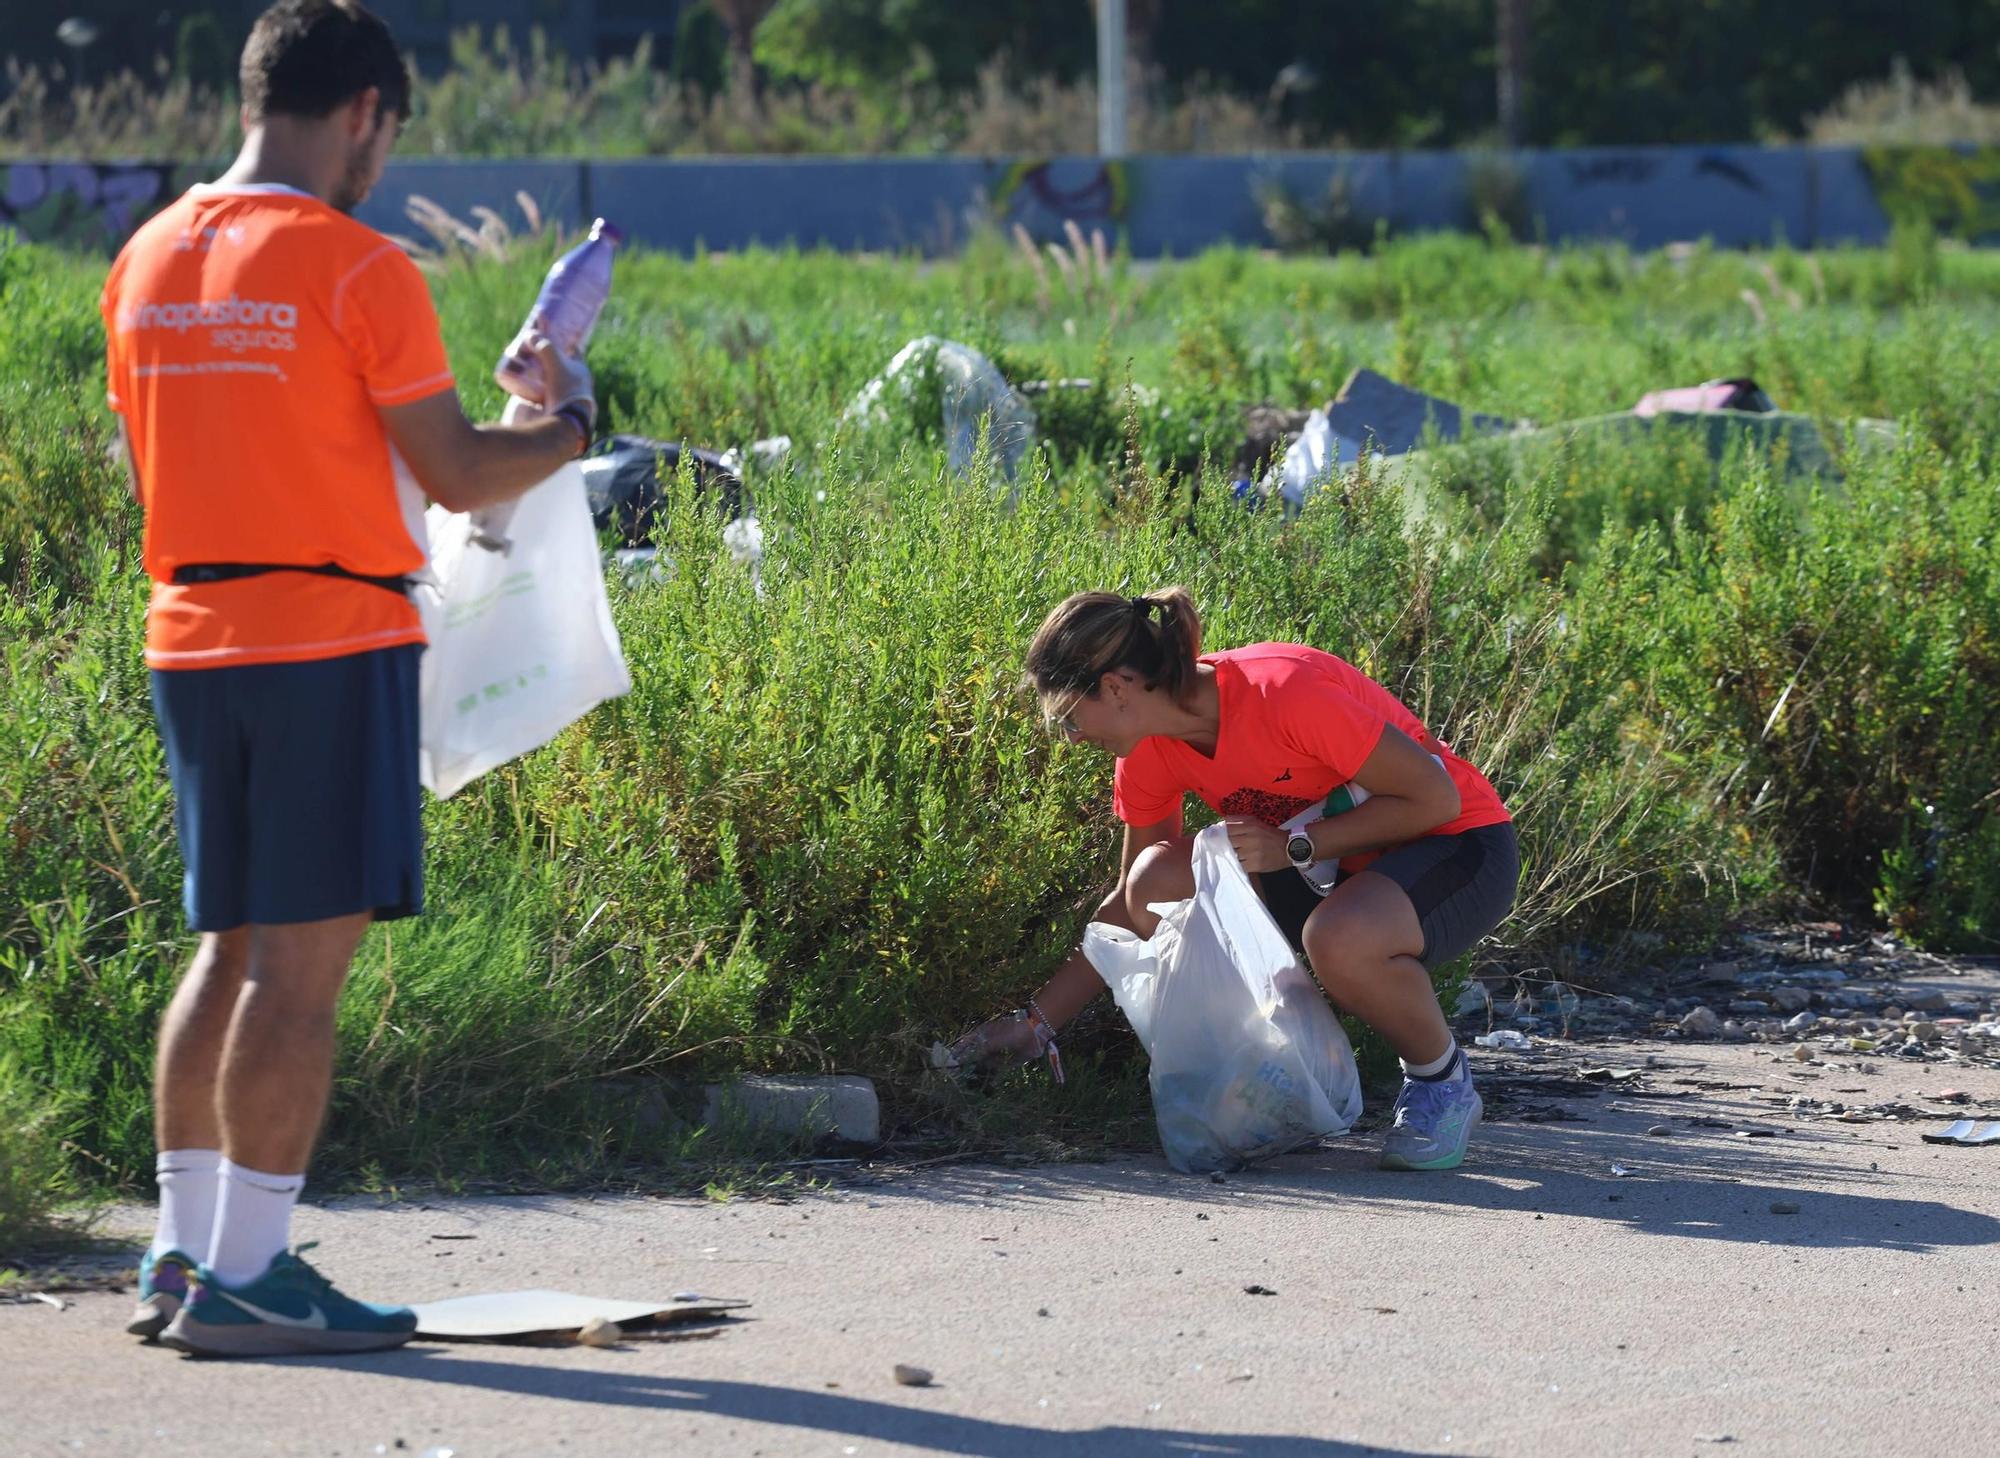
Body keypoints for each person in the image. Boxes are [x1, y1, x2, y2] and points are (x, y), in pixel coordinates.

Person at [102, 0, 598, 1356]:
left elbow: (153, 466)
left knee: (230, 947)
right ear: (367, 112)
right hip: (330, 638)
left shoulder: (144, 257)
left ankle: (182, 1252)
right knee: (300, 977)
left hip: (190, 633)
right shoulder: (355, 263)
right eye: (391, 132)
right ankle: (252, 1271)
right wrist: (562, 429)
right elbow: (454, 472)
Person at [954, 588, 1519, 1172]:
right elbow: (1133, 904)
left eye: (1070, 716)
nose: (1072, 738)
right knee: (1158, 879)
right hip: (1339, 871)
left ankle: (1441, 1084)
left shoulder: (1281, 692)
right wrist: (1036, 1024)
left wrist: (1297, 846)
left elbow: (1436, 796)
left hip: (1459, 842)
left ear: (1117, 687)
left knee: (1339, 938)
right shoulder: (1148, 751)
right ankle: (1264, 1078)